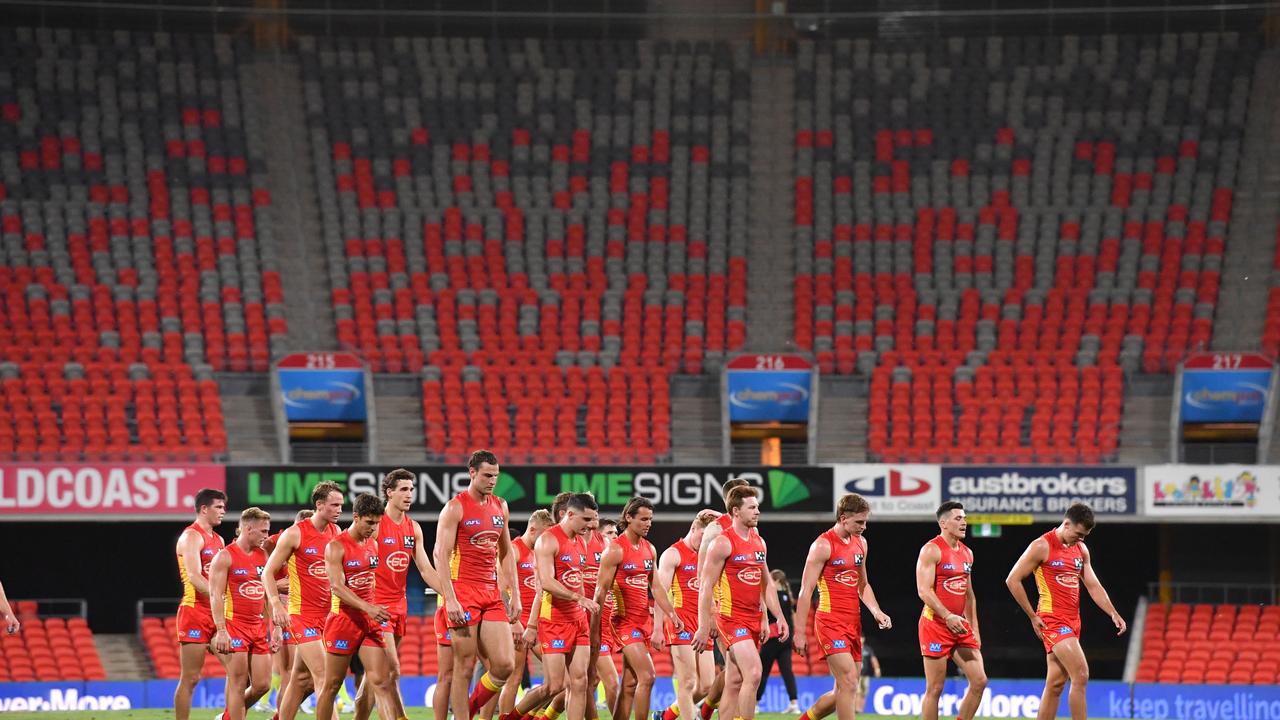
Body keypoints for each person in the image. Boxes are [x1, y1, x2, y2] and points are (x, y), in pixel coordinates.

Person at [1006, 503, 1127, 720]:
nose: (1081, 539)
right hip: (1052, 620)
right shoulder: (1041, 546)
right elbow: (1012, 580)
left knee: (1055, 684)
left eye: (1085, 536)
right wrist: (1032, 616)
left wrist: (1113, 612)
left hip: (1073, 622)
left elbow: (1093, 585)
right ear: (1067, 524)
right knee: (1081, 675)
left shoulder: (1080, 550)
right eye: (1079, 534)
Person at [435, 450, 522, 720]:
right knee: (464, 666)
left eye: (495, 476)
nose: (492, 480)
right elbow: (441, 553)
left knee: (505, 665)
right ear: (472, 473)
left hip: (491, 592)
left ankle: (468, 711)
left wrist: (515, 595)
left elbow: (506, 553)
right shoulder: (455, 507)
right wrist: (449, 598)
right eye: (487, 475)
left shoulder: (501, 506)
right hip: (463, 591)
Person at [351, 468, 443, 720]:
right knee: (391, 670)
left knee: (375, 678)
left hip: (400, 609)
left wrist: (451, 594)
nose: (409, 494)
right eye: (403, 489)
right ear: (389, 493)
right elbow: (350, 553)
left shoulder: (413, 529)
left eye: (411, 489)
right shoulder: (376, 526)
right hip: (376, 609)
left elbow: (425, 569)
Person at [693, 485, 789, 720]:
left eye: (757, 507)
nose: (758, 512)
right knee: (754, 673)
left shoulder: (759, 542)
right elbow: (705, 587)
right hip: (730, 618)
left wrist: (778, 617)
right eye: (752, 507)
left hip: (753, 618)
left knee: (734, 680)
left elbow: (765, 585)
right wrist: (704, 625)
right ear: (736, 511)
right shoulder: (722, 542)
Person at [793, 493, 891, 720]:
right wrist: (799, 633)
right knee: (848, 681)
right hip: (829, 622)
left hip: (853, 623)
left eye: (865, 521)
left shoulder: (861, 544)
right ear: (843, 518)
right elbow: (805, 591)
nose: (864, 527)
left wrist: (876, 611)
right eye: (859, 522)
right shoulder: (822, 545)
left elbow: (863, 584)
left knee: (845, 688)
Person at [312, 494, 404, 720]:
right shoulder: (336, 546)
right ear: (356, 517)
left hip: (369, 622)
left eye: (377, 523)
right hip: (343, 621)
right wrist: (368, 607)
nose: (373, 528)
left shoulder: (372, 544)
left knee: (382, 682)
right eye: (369, 522)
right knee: (332, 685)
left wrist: (373, 608)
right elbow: (336, 587)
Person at [263, 482, 344, 720]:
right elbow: (267, 572)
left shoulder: (336, 533)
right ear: (319, 505)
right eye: (334, 505)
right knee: (325, 677)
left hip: (327, 616)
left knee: (300, 680)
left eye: (341, 505)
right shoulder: (295, 533)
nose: (340, 509)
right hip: (302, 615)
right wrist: (276, 604)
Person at [595, 498, 680, 720]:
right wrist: (596, 628)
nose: (648, 523)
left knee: (631, 683)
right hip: (622, 622)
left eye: (650, 519)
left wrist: (671, 613)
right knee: (648, 676)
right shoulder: (614, 550)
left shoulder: (649, 549)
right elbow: (600, 592)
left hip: (643, 622)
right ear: (628, 518)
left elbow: (657, 587)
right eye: (643, 519)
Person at [916, 501, 987, 720]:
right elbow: (924, 590)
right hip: (935, 626)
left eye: (965, 518)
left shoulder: (968, 553)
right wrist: (946, 616)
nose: (964, 522)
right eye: (958, 518)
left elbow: (969, 594)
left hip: (960, 626)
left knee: (979, 681)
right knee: (935, 689)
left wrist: (974, 627)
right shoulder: (931, 549)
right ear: (943, 523)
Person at [210, 507, 281, 720]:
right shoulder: (225, 557)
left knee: (262, 685)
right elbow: (215, 596)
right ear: (248, 529)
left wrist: (275, 627)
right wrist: (221, 630)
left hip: (258, 628)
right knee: (238, 683)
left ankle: (227, 717)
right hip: (234, 626)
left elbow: (269, 594)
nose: (266, 536)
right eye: (263, 531)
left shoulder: (263, 555)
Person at [534, 493, 601, 720]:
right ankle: (514, 716)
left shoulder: (581, 541)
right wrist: (578, 598)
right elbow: (546, 582)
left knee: (581, 682)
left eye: (593, 519)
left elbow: (577, 578)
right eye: (586, 519)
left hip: (578, 620)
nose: (591, 525)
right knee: (554, 686)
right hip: (554, 619)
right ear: (569, 514)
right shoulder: (547, 540)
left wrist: (583, 605)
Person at [654, 510, 720, 720]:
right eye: (703, 536)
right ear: (693, 529)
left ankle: (665, 716)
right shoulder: (673, 554)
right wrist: (657, 628)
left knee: (707, 685)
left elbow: (736, 521)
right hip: (680, 623)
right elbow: (660, 593)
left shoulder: (709, 556)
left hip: (702, 624)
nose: (705, 543)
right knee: (688, 681)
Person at [174, 487, 228, 720]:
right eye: (218, 507)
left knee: (239, 672)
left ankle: (227, 716)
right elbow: (195, 576)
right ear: (204, 509)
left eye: (224, 507)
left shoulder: (219, 539)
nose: (223, 511)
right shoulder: (191, 536)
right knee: (191, 678)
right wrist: (220, 597)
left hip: (217, 614)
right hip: (195, 611)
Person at [257, 509, 315, 714]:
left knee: (305, 677)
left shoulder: (317, 542)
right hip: (282, 610)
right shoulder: (276, 541)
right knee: (288, 674)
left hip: (307, 611)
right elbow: (259, 573)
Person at [757, 569, 799, 714]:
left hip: (772, 639)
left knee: (763, 672)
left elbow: (764, 613)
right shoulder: (788, 596)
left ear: (774, 581)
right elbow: (793, 617)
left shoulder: (771, 596)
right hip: (785, 639)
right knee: (787, 671)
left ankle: (755, 703)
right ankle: (794, 703)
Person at [856, 637, 880, 713]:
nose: (861, 639)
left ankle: (861, 709)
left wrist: (877, 669)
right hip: (857, 675)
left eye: (862, 638)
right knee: (858, 692)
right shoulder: (855, 647)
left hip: (866, 675)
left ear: (864, 639)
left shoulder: (867, 649)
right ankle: (856, 708)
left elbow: (873, 659)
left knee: (864, 692)